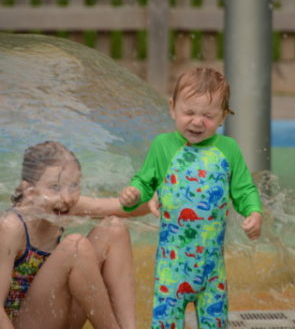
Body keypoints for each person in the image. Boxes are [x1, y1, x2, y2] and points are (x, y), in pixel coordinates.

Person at [120, 66, 263, 329]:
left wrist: (254, 212)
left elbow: (244, 189)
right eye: (189, 112)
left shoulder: (228, 149)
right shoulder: (163, 146)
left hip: (212, 272)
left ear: (223, 117)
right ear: (173, 108)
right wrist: (134, 193)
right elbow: (145, 181)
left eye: (208, 116)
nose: (197, 121)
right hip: (171, 270)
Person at [0, 140, 149, 329]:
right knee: (75, 247)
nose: (67, 197)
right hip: (23, 324)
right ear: (30, 191)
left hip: (58, 316)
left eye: (74, 185)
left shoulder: (62, 206)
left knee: (114, 228)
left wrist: (164, 199)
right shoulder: (12, 227)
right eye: (55, 187)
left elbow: (121, 208)